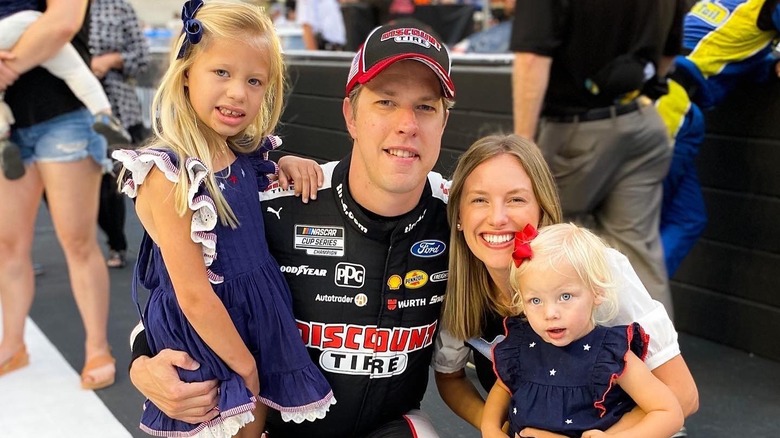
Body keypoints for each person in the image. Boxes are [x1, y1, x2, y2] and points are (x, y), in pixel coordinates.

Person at [128, 21, 456, 437]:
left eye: (425, 107)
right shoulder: (271, 198)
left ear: (443, 122)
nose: (407, 123)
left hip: (388, 425)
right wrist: (142, 365)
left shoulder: (462, 218)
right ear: (351, 115)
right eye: (386, 102)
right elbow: (176, 293)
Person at [112, 1, 335, 436]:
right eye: (222, 73)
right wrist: (246, 366)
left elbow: (258, 181)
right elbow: (193, 295)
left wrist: (288, 160)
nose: (238, 93)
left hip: (256, 319)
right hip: (210, 339)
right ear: (187, 71)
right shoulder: (170, 173)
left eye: (254, 81)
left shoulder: (243, 157)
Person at [433, 134, 698, 438]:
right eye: (479, 199)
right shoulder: (458, 287)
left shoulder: (595, 269)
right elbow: (451, 378)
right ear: (459, 217)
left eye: (516, 199)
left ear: (542, 210)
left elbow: (683, 394)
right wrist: (501, 430)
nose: (497, 217)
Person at [510, 0, 684, 317]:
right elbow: (670, 51)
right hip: (641, 121)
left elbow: (532, 58)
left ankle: (545, 359)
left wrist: (524, 144)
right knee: (637, 256)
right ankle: (657, 363)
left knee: (543, 245)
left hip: (576, 134)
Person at [0, 0, 116, 390]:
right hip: (7, 127)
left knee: (77, 241)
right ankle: (13, 343)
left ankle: (98, 346)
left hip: (62, 114)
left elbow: (63, 22)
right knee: (7, 245)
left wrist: (5, 70)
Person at [481, 223, 684, 438]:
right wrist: (490, 429)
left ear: (596, 292)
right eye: (535, 300)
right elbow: (502, 389)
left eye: (565, 297)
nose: (550, 313)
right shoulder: (522, 346)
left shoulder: (610, 353)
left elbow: (668, 412)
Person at [657, 0, 780, 276]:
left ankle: (638, 301)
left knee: (688, 218)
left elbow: (733, 52)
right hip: (670, 107)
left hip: (674, 108)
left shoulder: (723, 4)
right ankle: (619, 307)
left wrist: (770, 66)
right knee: (644, 225)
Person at [0, 0, 131, 180]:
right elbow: (64, 24)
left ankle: (2, 137)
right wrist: (11, 70)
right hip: (30, 24)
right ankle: (104, 114)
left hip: (34, 106)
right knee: (75, 72)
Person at [90, 0, 151, 269]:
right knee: (97, 188)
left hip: (119, 110)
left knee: (133, 182)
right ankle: (115, 241)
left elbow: (142, 56)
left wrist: (110, 60)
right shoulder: (53, 7)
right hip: (73, 110)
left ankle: (158, 245)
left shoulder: (118, 7)